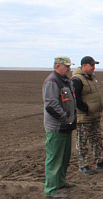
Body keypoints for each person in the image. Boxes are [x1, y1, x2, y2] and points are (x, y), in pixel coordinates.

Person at [72, 56, 103, 175]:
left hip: (94, 116)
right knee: (82, 142)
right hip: (84, 117)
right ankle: (83, 165)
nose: (93, 68)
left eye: (94, 65)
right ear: (84, 66)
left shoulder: (90, 78)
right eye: (91, 65)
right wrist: (86, 109)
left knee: (97, 139)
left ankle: (100, 161)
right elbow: (74, 98)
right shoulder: (77, 79)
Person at [42, 56, 77, 198]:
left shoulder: (65, 81)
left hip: (66, 126)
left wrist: (70, 121)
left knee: (64, 158)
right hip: (57, 127)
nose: (69, 69)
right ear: (57, 66)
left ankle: (60, 182)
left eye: (69, 66)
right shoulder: (52, 81)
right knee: (54, 159)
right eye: (67, 66)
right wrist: (65, 118)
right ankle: (51, 190)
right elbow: (51, 105)